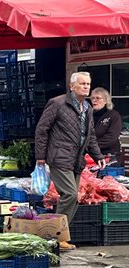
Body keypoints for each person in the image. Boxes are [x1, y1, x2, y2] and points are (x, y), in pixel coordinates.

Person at [35, 71, 106, 251]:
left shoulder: (87, 108)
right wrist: (40, 157)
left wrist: (98, 156)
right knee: (70, 194)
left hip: (76, 160)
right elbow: (42, 130)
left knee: (74, 198)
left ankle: (58, 236)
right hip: (59, 157)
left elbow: (90, 136)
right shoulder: (57, 103)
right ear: (72, 86)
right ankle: (55, 236)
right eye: (82, 84)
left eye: (88, 84)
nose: (86, 87)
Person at [90, 87, 122, 159]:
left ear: (105, 101)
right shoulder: (88, 115)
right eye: (92, 98)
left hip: (110, 155)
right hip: (91, 155)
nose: (94, 100)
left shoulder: (114, 115)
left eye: (98, 98)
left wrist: (92, 146)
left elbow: (111, 137)